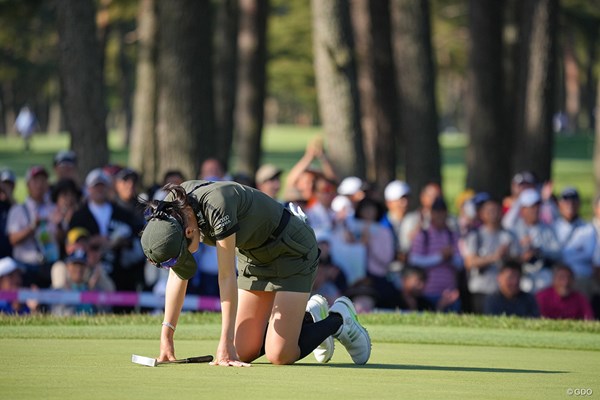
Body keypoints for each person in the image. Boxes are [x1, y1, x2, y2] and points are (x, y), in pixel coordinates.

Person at [140, 180, 371, 366]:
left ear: (188, 230)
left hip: (290, 248)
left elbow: (226, 277)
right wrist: (166, 337)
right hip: (253, 257)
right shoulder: (170, 212)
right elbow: (177, 275)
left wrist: (225, 342)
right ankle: (309, 317)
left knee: (279, 354)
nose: (177, 262)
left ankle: (339, 319)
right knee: (243, 351)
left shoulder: (216, 206)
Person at [461, 196, 521, 314]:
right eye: (489, 211)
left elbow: (517, 260)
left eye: (496, 210)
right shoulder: (476, 236)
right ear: (482, 214)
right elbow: (469, 262)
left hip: (502, 291)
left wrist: (507, 257)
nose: (493, 214)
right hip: (481, 289)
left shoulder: (509, 236)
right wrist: (494, 257)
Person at [7, 165, 59, 287]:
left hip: (48, 264)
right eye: (36, 181)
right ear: (28, 185)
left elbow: (60, 238)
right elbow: (13, 239)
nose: (40, 185)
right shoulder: (18, 210)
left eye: (43, 180)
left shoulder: (53, 209)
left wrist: (60, 225)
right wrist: (32, 227)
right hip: (25, 266)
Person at [408, 196, 462, 312]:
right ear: (431, 214)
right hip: (427, 292)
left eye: (442, 213)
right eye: (437, 212)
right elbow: (414, 259)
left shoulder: (453, 236)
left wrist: (450, 257)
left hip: (450, 293)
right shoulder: (423, 235)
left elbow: (460, 263)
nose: (440, 216)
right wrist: (440, 257)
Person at [0, 168, 16, 258]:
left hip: (11, 253)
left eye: (9, 185)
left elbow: (18, 211)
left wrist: (7, 192)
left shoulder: (14, 205)